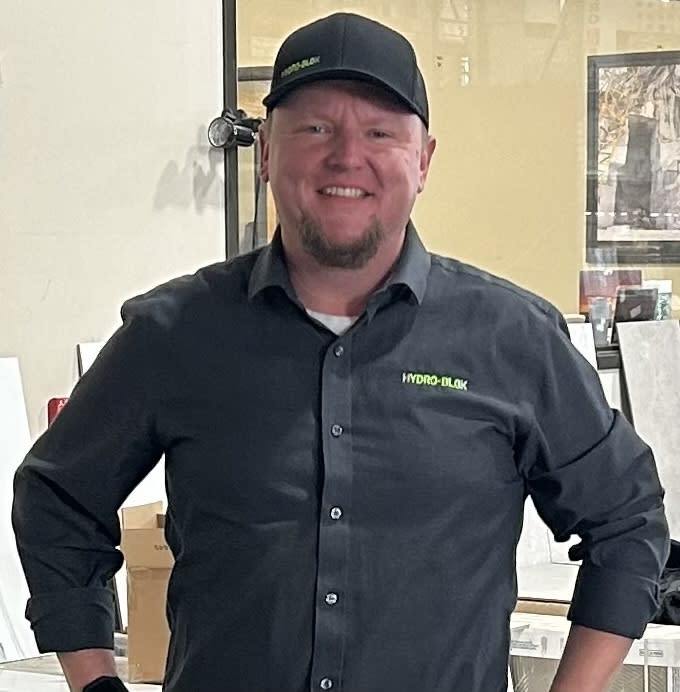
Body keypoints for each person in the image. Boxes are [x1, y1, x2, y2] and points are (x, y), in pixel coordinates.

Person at [12, 12, 669, 692]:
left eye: (380, 132)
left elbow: (627, 523)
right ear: (266, 152)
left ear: (423, 160)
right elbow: (56, 499)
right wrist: (94, 679)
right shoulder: (175, 334)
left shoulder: (513, 339)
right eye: (316, 128)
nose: (347, 156)